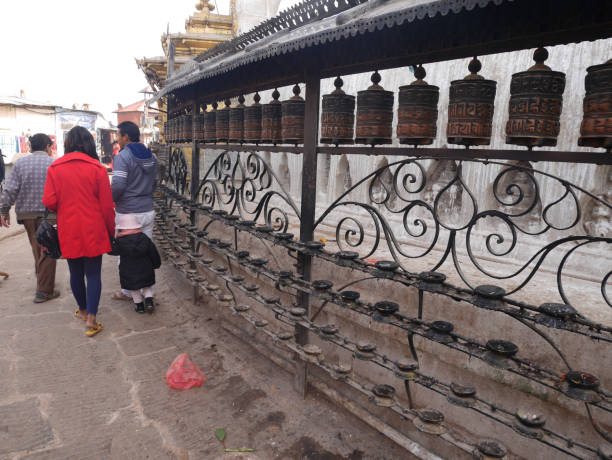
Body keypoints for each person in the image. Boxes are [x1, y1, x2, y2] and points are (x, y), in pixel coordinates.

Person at [43, 126, 115, 336]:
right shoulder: (97, 168)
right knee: (93, 274)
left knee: (75, 272)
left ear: (67, 145)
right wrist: (111, 230)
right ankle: (92, 318)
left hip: (69, 227)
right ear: (89, 144)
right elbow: (106, 206)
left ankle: (83, 310)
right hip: (94, 228)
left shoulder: (55, 168)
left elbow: (49, 201)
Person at [0, 134, 59, 302]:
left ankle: (43, 281)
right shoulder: (54, 164)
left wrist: (4, 210)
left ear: (31, 147)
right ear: (47, 147)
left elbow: (10, 190)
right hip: (49, 214)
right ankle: (44, 291)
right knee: (48, 250)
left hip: (27, 215)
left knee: (37, 248)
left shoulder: (20, 164)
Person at [111, 121, 158, 305]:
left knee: (126, 254)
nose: (117, 139)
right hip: (147, 210)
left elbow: (119, 185)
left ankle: (128, 292)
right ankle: (149, 294)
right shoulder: (150, 156)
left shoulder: (123, 157)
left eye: (119, 135)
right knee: (146, 252)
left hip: (128, 213)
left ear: (126, 137)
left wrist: (113, 199)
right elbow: (154, 183)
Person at [110, 214, 161, 313]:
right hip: (146, 269)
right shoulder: (144, 238)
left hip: (129, 271)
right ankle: (149, 301)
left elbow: (112, 251)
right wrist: (156, 263)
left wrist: (112, 240)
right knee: (146, 286)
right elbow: (153, 252)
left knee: (134, 289)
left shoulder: (120, 242)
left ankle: (139, 306)